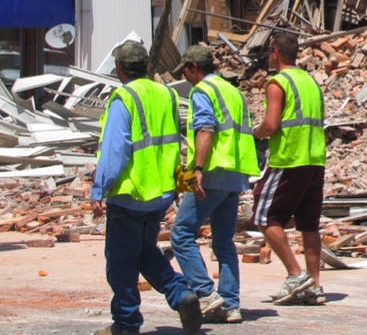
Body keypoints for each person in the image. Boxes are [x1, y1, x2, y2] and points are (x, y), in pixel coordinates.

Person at [90, 41, 203, 335]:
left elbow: (115, 151)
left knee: (121, 263)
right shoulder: (165, 93)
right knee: (144, 253)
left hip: (130, 193)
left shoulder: (123, 97)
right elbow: (174, 140)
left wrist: (99, 189)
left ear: (119, 69)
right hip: (160, 194)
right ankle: (181, 295)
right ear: (146, 66)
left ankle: (125, 325)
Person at [170, 45, 260, 324]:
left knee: (181, 233)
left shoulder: (202, 92)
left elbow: (206, 129)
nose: (185, 77)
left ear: (194, 68)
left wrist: (196, 168)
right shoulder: (233, 91)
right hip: (235, 173)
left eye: (185, 71)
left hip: (212, 172)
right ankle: (230, 305)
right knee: (223, 242)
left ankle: (207, 294)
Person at [253, 32, 327, 305]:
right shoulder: (311, 82)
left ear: (275, 53)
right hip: (315, 158)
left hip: (288, 158)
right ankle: (315, 286)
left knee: (263, 216)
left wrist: (253, 133)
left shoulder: (278, 82)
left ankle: (297, 276)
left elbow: (271, 124)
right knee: (309, 224)